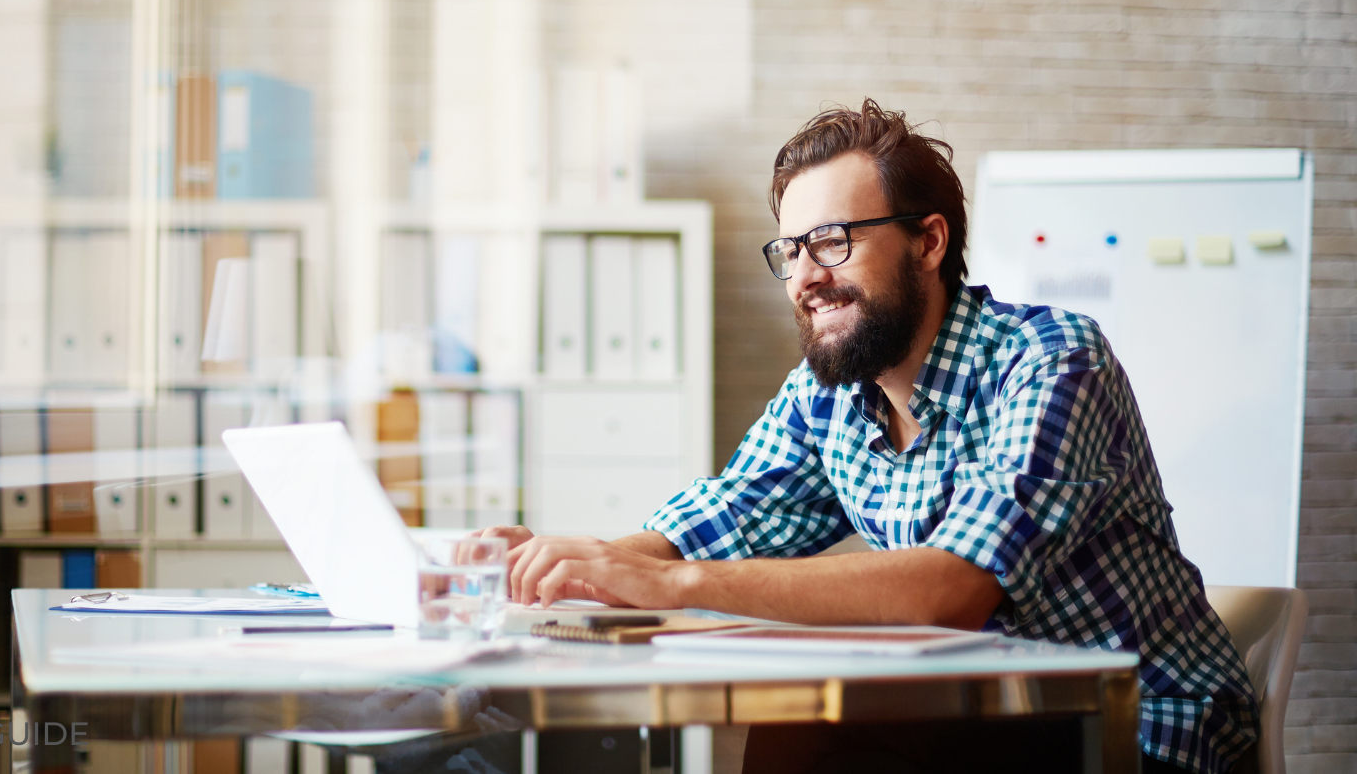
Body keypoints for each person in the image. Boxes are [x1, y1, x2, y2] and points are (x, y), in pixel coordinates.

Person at [480, 100, 1258, 774]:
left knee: (820, 733)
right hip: (985, 711)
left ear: (929, 241)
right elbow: (712, 521)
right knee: (805, 726)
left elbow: (951, 590)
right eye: (790, 251)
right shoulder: (830, 395)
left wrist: (672, 588)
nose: (805, 276)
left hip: (1138, 728)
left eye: (833, 241)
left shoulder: (1052, 361)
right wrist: (579, 566)